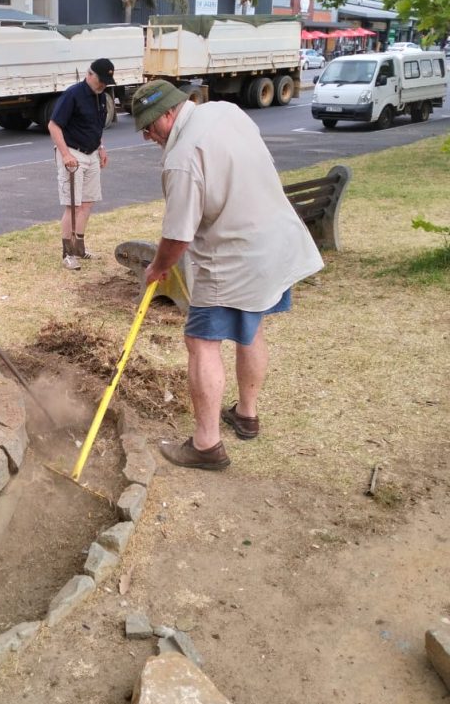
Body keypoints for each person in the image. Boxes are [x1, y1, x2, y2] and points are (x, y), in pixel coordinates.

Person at [130, 80, 324, 471]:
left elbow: (178, 235)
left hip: (235, 256)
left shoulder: (181, 157)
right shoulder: (226, 112)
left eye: (150, 127)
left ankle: (206, 445)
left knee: (201, 341)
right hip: (276, 243)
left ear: (169, 113)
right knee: (251, 328)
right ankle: (246, 415)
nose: (149, 136)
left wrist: (158, 267)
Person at [48, 58, 114, 270]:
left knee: (87, 203)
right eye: (101, 80)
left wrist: (101, 148)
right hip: (73, 154)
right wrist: (66, 154)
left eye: (106, 81)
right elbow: (54, 126)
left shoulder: (101, 97)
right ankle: (68, 253)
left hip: (92, 153)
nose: (103, 85)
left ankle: (80, 248)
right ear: (90, 74)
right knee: (73, 205)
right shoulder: (73, 95)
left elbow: (96, 127)